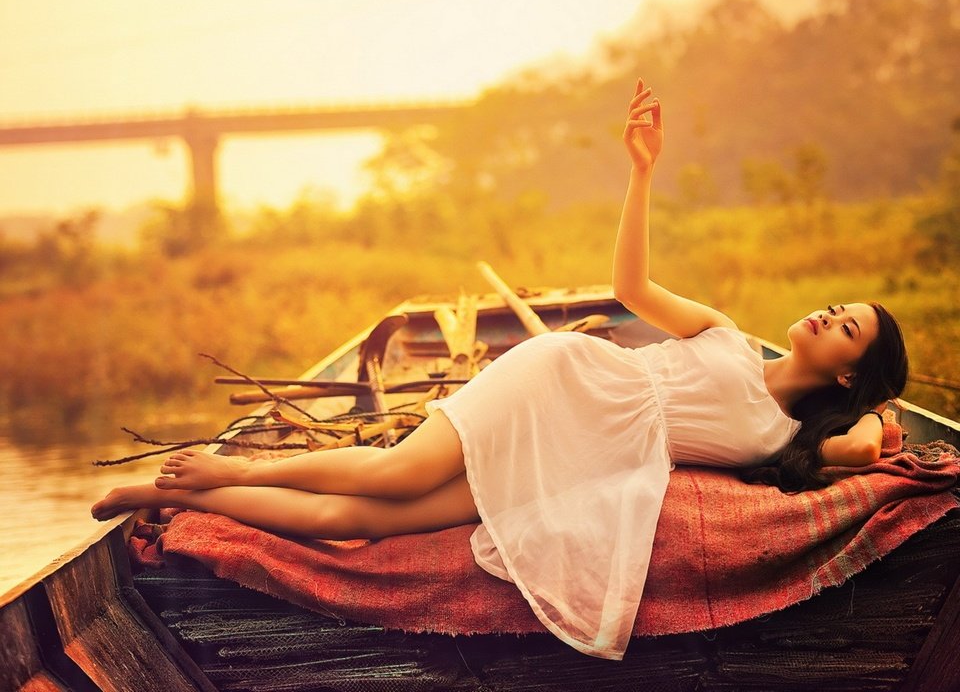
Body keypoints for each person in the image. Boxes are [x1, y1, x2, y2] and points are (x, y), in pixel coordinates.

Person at [92, 79, 908, 660]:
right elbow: (629, 291)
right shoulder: (727, 336)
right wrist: (642, 172)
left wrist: (879, 415)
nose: (827, 316)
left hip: (581, 461)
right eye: (837, 307)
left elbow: (868, 450)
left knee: (365, 525)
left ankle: (174, 495)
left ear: (849, 377)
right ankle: (224, 467)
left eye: (848, 330)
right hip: (562, 383)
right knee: (394, 472)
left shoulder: (784, 438)